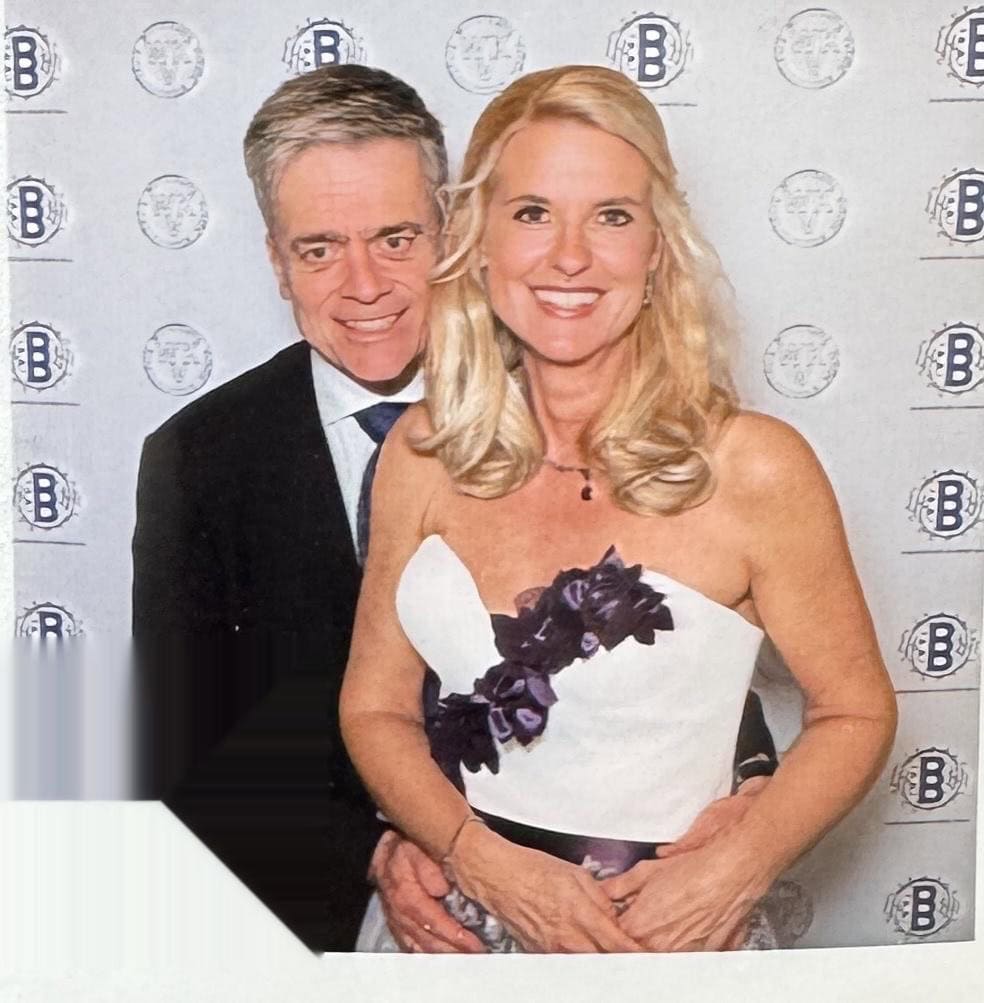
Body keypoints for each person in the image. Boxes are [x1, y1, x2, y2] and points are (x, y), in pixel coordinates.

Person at [131, 64, 777, 954]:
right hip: (340, 923)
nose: (364, 284)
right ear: (276, 261)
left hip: (627, 893)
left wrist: (754, 780)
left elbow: (684, 613)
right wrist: (380, 853)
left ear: (453, 229)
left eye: (396, 238)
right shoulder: (199, 456)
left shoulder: (576, 365)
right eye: (319, 249)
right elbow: (184, 741)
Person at [340, 64, 898, 953]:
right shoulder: (421, 451)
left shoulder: (755, 467)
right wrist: (476, 859)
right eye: (533, 213)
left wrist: (737, 867)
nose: (570, 256)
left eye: (611, 216)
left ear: (657, 247)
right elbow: (376, 708)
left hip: (663, 934)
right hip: (449, 927)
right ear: (478, 240)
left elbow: (855, 710)